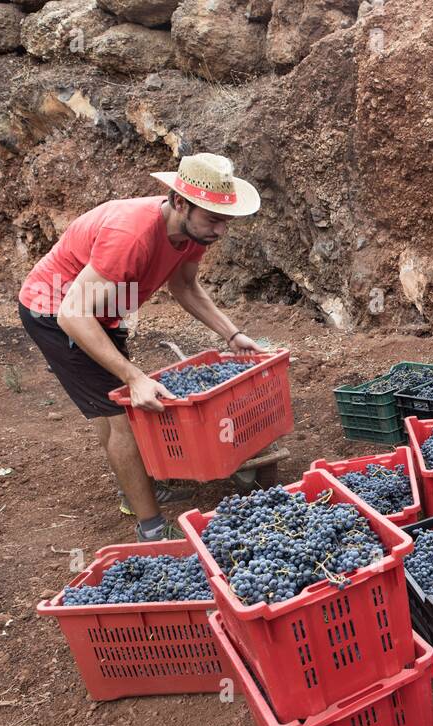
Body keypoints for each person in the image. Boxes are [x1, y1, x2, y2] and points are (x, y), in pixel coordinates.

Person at [18, 153, 262, 541]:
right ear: (180, 202)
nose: (220, 231)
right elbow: (72, 314)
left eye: (225, 221)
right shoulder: (131, 235)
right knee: (124, 414)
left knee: (111, 408)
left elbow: (184, 286)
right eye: (214, 220)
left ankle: (136, 489)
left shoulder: (191, 233)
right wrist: (135, 377)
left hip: (104, 310)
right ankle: (150, 527)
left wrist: (231, 335)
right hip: (55, 312)